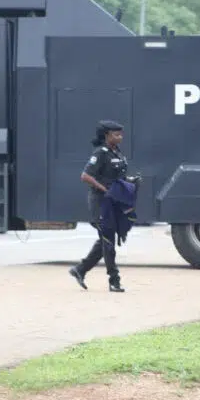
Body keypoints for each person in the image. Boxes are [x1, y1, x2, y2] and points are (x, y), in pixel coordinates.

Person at [69, 120, 129, 293]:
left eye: (121, 134)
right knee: (108, 241)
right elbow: (85, 176)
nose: (120, 137)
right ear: (106, 135)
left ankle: (80, 270)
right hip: (100, 201)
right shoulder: (100, 153)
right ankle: (114, 280)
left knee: (106, 239)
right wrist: (104, 189)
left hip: (113, 201)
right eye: (116, 134)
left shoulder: (116, 152)